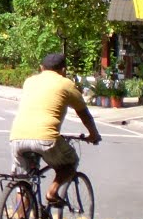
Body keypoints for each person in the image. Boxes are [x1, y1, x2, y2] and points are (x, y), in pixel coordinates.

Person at [9, 52, 101, 206]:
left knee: (23, 183)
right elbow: (84, 114)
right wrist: (94, 134)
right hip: (46, 138)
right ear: (64, 70)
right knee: (70, 162)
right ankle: (52, 191)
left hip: (16, 138)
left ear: (41, 68)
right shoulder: (65, 84)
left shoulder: (29, 82)